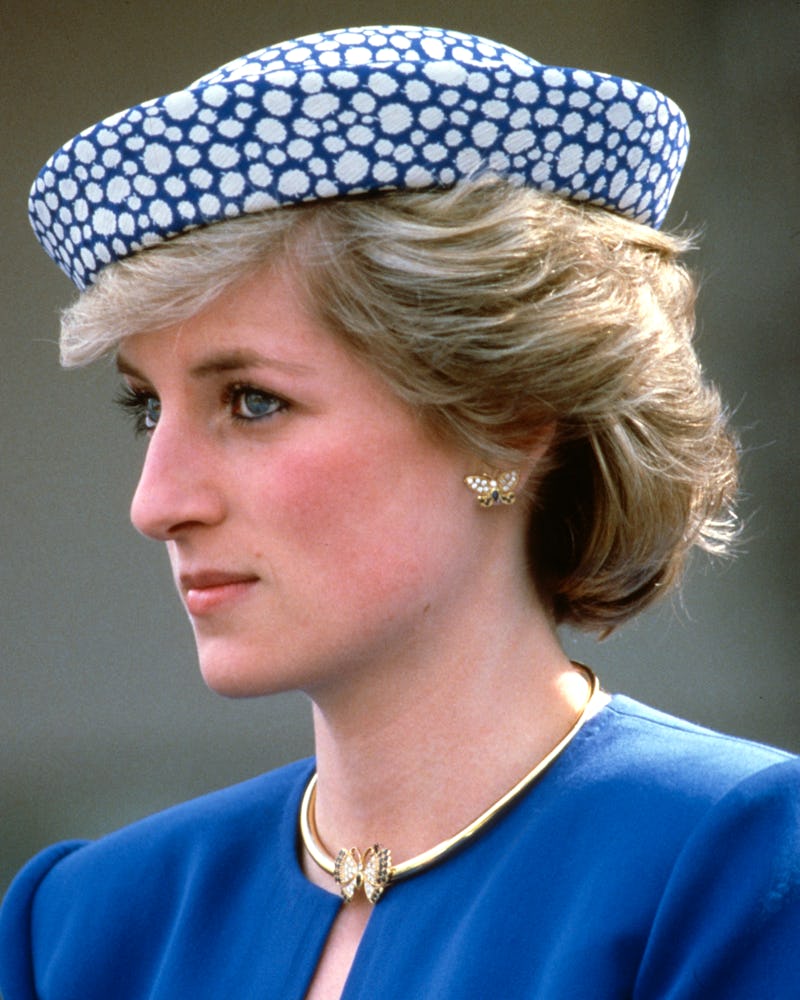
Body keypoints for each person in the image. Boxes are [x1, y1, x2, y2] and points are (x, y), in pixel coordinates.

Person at [1, 24, 797, 999]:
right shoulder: (88, 924)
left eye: (253, 400)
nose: (157, 502)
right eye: (147, 407)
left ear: (507, 422)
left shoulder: (736, 865)